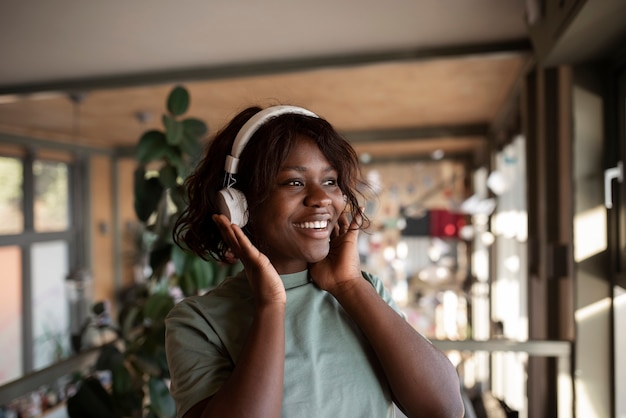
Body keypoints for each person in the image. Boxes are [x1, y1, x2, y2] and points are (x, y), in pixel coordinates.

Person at [165, 105, 464, 418]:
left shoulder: (363, 291)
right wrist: (270, 305)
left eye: (331, 181)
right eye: (294, 182)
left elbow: (443, 409)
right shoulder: (198, 322)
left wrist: (349, 286)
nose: (322, 198)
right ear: (237, 203)